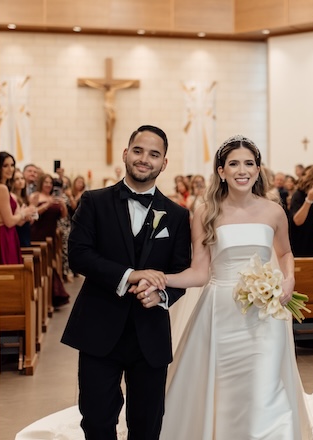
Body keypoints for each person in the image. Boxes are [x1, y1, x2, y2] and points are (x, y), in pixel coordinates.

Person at [135, 135, 313, 440]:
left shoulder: (274, 211)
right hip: (220, 312)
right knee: (224, 387)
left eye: (249, 163)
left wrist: (288, 279)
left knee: (266, 385)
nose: (242, 170)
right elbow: (199, 272)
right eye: (234, 163)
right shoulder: (205, 213)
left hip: (266, 314)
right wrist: (162, 278)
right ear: (221, 171)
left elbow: (285, 253)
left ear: (258, 169)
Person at [61, 125, 192, 440]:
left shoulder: (175, 215)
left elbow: (181, 271)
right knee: (96, 420)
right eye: (138, 150)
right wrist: (129, 275)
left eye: (153, 154)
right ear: (125, 153)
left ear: (164, 163)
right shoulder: (94, 201)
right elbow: (78, 255)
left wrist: (161, 295)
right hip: (98, 328)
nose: (144, 159)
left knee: (147, 425)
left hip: (150, 334)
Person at [30, 173, 71, 306]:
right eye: (46, 182)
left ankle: (51, 297)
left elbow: (63, 216)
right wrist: (48, 204)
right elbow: (33, 214)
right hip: (38, 233)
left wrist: (63, 205)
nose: (48, 185)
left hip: (51, 235)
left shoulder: (54, 197)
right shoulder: (35, 196)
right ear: (41, 183)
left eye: (50, 183)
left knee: (49, 266)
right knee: (41, 266)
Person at [0, 152, 33, 264]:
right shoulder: (1, 188)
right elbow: (9, 221)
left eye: (12, 165)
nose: (10, 169)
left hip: (10, 234)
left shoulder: (5, 188)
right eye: (5, 166)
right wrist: (23, 213)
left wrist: (24, 213)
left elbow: (17, 222)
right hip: (4, 234)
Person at [11, 169, 36, 248]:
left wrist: (31, 216)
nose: (20, 181)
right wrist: (26, 215)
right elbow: (17, 222)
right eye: (17, 179)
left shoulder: (25, 198)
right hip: (18, 232)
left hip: (26, 232)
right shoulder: (12, 197)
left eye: (22, 178)